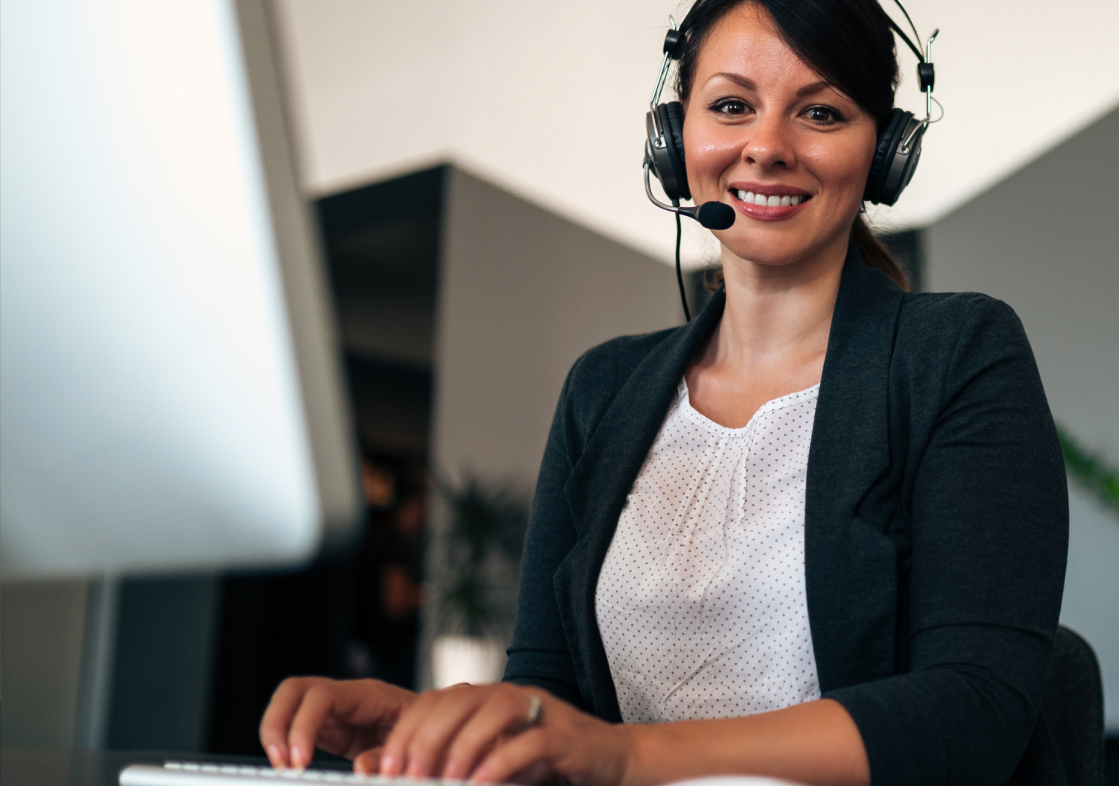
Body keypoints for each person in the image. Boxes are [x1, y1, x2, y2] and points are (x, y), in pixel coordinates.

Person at [258, 1, 1068, 784]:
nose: (767, 146)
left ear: (886, 152)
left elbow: (974, 708)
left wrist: (631, 758)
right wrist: (445, 730)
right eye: (730, 105)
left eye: (820, 114)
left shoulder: (957, 354)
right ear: (673, 138)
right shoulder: (604, 389)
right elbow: (550, 694)